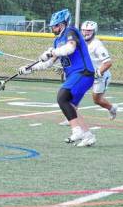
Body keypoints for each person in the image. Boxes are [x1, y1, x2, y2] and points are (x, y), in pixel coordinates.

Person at [18, 8, 97, 147]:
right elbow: (48, 63)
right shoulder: (57, 41)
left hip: (83, 72)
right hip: (75, 75)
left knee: (62, 96)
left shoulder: (71, 32)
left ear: (62, 24)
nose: (52, 28)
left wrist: (51, 52)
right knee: (71, 106)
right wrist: (29, 69)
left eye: (55, 25)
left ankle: (76, 130)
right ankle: (88, 135)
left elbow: (70, 48)